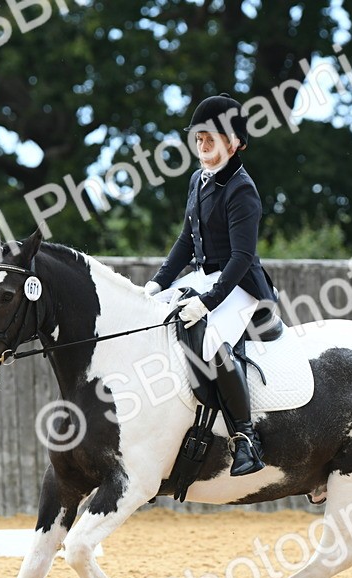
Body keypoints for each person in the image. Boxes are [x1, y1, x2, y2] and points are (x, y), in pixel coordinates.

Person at [145, 93, 277, 477]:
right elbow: (186, 241)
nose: (202, 146)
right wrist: (157, 285)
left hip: (240, 284)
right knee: (153, 315)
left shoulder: (241, 189)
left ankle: (246, 439)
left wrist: (208, 302)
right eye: (199, 138)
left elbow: (241, 257)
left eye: (210, 139)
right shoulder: (197, 180)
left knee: (213, 341)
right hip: (204, 276)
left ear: (233, 143)